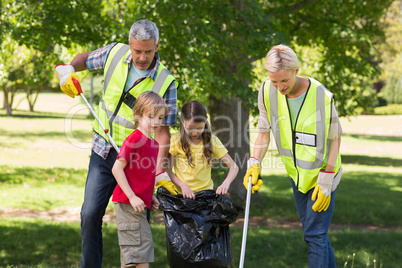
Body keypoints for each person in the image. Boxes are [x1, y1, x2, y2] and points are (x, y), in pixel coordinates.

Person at [55, 20, 178, 268]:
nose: (142, 57)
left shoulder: (167, 82)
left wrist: (159, 170)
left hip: (137, 162)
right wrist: (68, 69)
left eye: (148, 51)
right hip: (104, 149)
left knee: (135, 224)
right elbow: (86, 59)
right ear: (130, 44)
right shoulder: (114, 53)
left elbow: (164, 133)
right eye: (137, 51)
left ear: (157, 46)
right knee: (89, 215)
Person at [244, 44, 342, 267]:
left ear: (296, 71)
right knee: (316, 234)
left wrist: (326, 177)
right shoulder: (266, 91)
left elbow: (335, 137)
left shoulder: (320, 95)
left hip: (322, 175)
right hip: (296, 176)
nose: (279, 87)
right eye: (275, 81)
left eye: (284, 81)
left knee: (314, 235)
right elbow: (262, 133)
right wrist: (254, 162)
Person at [112, 91, 167, 268]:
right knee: (134, 256)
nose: (156, 122)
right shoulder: (134, 139)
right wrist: (132, 196)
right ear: (137, 115)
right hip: (127, 203)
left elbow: (142, 175)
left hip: (139, 205)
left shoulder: (154, 144)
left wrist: (148, 196)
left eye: (159, 117)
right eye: (151, 117)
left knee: (142, 252)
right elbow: (117, 168)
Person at [156, 100, 239, 199]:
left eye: (199, 128)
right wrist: (182, 185)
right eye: (190, 128)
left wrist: (226, 183)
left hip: (205, 196)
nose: (194, 133)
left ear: (206, 120)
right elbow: (167, 168)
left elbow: (234, 167)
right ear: (181, 121)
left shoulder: (212, 141)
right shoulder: (176, 140)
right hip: (183, 196)